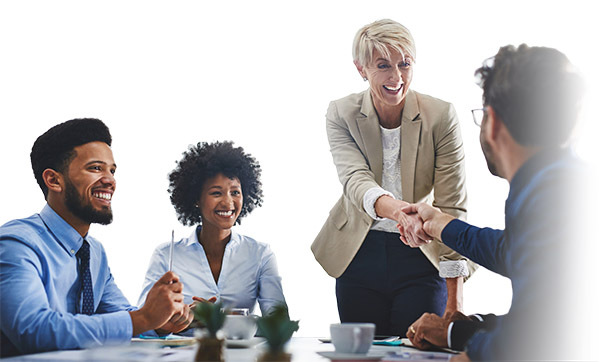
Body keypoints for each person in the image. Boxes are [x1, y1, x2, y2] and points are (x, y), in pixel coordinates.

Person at [403, 44, 587, 360]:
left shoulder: (548, 192)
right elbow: (519, 254)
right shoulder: (561, 183)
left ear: (494, 122)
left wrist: (473, 355)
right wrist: (442, 225)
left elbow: (536, 335)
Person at [311, 19, 476, 336]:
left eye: (405, 64)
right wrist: (403, 213)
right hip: (358, 252)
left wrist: (455, 303)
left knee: (420, 351)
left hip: (421, 253)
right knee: (364, 355)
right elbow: (355, 181)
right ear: (361, 68)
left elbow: (452, 207)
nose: (396, 77)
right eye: (383, 65)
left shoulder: (440, 117)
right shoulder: (341, 113)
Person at [0, 118, 192, 357]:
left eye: (112, 170)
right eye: (95, 168)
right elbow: (34, 330)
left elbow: (120, 314)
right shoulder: (16, 244)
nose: (110, 180)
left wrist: (160, 322)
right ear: (53, 180)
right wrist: (143, 318)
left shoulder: (93, 252)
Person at [138, 141, 286, 319]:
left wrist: (219, 316)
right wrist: (185, 317)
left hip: (240, 348)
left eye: (235, 192)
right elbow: (145, 320)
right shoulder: (166, 255)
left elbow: (279, 323)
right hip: (182, 348)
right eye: (216, 193)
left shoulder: (260, 254)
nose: (228, 202)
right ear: (196, 199)